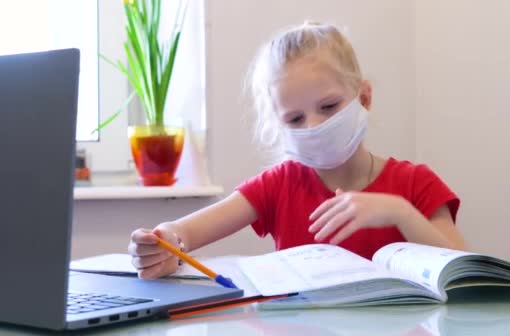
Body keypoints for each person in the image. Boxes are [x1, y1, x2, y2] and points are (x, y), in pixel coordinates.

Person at [128, 22, 466, 279]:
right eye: (295, 118)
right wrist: (164, 244)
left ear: (364, 98)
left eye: (329, 106)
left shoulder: (415, 184)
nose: (314, 126)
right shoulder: (279, 184)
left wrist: (399, 213)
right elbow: (183, 233)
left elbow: (462, 272)